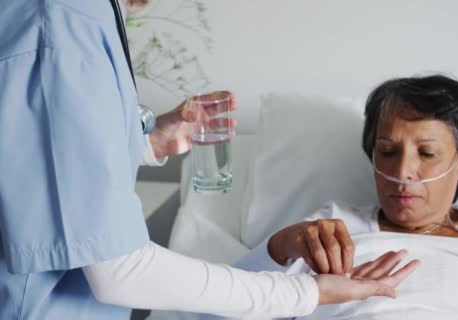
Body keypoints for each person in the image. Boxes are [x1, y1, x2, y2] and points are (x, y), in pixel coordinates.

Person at [0, 1, 417, 319]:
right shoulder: (62, 23)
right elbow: (117, 270)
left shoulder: (79, 15)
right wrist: (304, 293)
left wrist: (141, 144)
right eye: (387, 150)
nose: (404, 172)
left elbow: (38, 151)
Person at [231, 75, 458, 319]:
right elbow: (232, 304)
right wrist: (279, 247)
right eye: (388, 151)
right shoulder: (334, 227)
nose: (404, 171)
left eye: (426, 153)